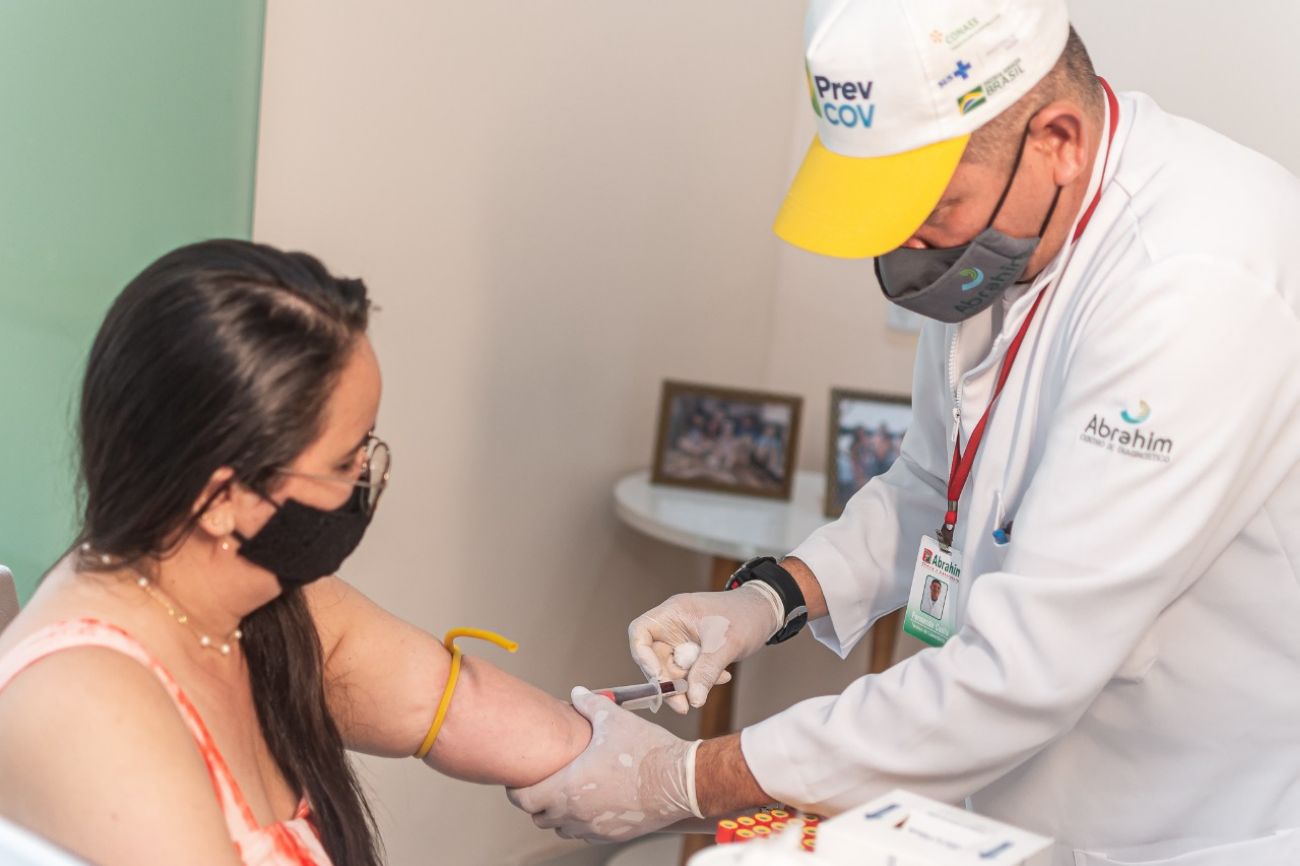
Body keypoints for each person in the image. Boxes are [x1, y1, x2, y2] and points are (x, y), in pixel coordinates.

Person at [508, 1, 1300, 863]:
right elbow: (934, 483)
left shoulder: (1196, 282)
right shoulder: (1004, 245)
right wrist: (768, 599)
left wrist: (684, 779)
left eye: (930, 203)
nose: (908, 241)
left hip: (1206, 814)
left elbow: (1023, 669)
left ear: (1059, 141)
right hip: (1045, 797)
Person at [0, 240, 591, 866]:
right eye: (344, 461)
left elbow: (450, 703)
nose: (366, 475)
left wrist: (644, 765)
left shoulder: (248, 608)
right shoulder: (93, 712)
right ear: (221, 499)